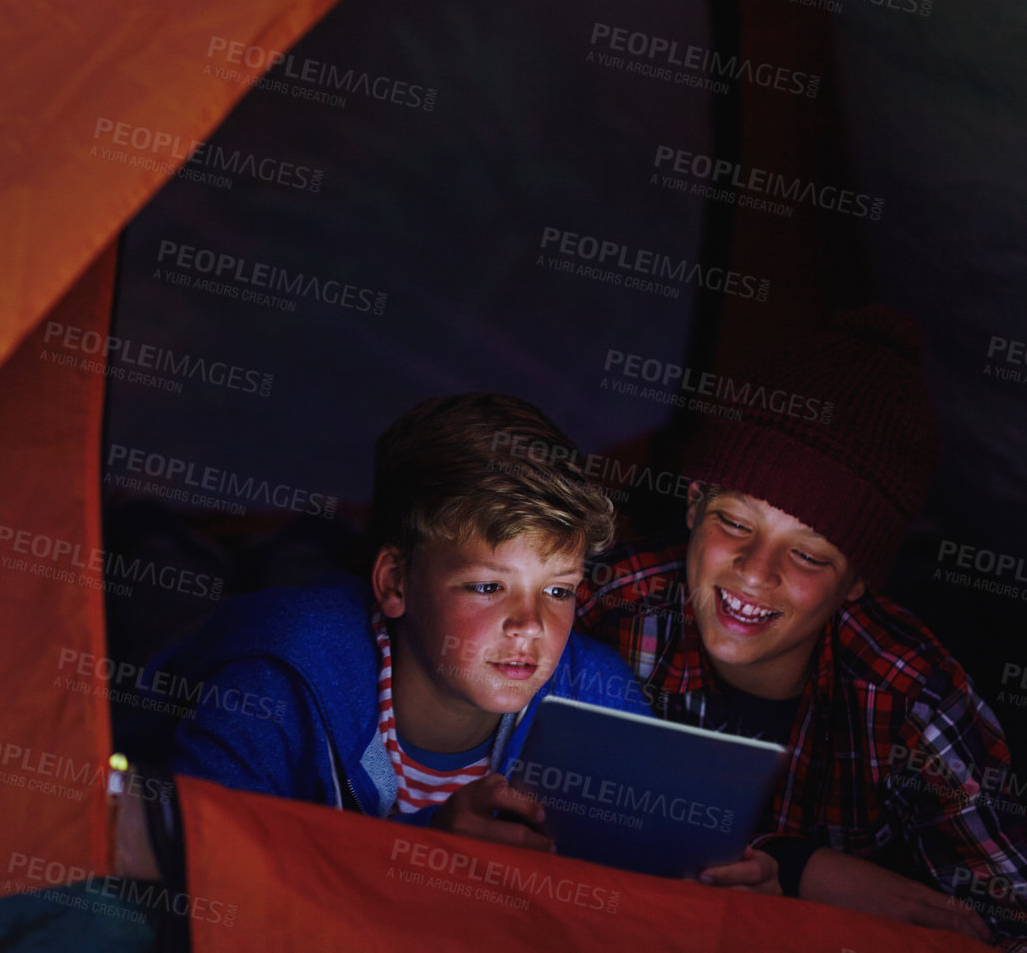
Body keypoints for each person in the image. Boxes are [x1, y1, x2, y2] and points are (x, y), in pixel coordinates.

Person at [578, 306, 1025, 947]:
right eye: (734, 522)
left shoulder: (912, 699)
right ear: (694, 502)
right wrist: (800, 864)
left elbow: (1011, 922)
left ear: (857, 582)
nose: (756, 573)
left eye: (810, 555)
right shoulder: (608, 602)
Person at [145, 392, 650, 849]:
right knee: (164, 586)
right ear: (395, 584)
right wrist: (424, 846)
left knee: (301, 556)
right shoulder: (273, 680)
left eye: (558, 590)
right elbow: (197, 854)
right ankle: (156, 525)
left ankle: (302, 540)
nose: (530, 625)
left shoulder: (598, 697)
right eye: (488, 586)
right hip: (209, 632)